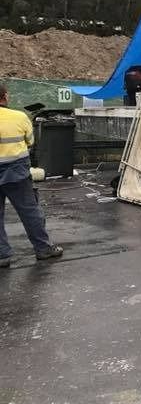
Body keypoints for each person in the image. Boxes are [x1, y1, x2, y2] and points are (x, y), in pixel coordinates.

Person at [0, 82, 62, 268]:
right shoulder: (19, 117)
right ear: (5, 96)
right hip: (16, 171)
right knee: (29, 211)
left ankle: (2, 255)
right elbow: (30, 141)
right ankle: (43, 249)